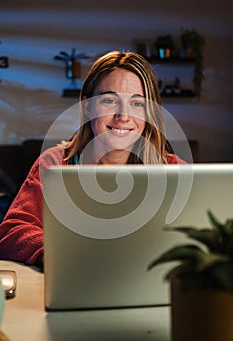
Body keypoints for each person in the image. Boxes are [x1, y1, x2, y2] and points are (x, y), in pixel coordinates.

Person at [0, 51, 186, 267]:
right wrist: (59, 252)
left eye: (137, 103)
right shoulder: (55, 164)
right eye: (109, 100)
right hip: (74, 280)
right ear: (87, 107)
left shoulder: (173, 170)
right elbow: (11, 232)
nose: (123, 116)